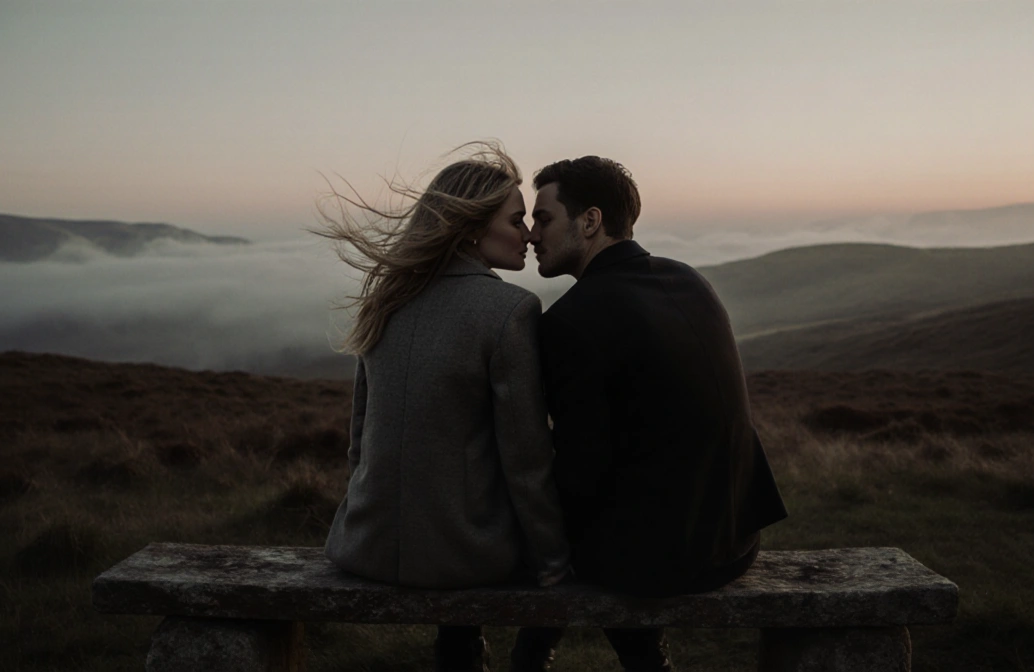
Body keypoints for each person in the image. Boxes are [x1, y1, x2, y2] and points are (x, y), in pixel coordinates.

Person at [510, 156, 788, 672]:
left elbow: (579, 472)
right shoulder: (688, 280)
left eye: (544, 218)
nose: (530, 235)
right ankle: (629, 660)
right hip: (737, 537)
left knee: (539, 538)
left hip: (665, 564)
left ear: (590, 221)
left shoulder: (571, 321)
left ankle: (530, 656)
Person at [318, 142, 570, 672]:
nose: (527, 234)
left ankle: (459, 651)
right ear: (472, 228)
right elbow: (527, 460)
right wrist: (553, 563)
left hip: (365, 546)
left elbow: (359, 436)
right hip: (464, 555)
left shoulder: (386, 300)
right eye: (516, 219)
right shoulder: (510, 310)